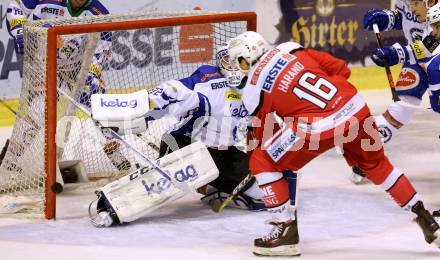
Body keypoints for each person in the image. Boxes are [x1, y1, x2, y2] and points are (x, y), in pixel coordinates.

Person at [227, 31, 440, 256]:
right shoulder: (291, 48)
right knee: (378, 165)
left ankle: (285, 232)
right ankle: (427, 220)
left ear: (245, 58)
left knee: (263, 162)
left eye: (238, 61)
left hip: (316, 126)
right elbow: (342, 70)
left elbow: (263, 137)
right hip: (355, 108)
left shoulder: (252, 90)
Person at [90, 43, 276, 227]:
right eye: (228, 61)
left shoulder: (253, 89)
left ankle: (211, 187)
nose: (233, 67)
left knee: (267, 194)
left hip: (224, 155)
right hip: (184, 145)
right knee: (162, 186)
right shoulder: (208, 83)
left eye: (238, 62)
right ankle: (112, 204)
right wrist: (122, 118)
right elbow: (170, 92)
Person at [3, 0, 134, 175]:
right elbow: (16, 4)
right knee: (39, 109)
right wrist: (19, 31)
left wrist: (92, 73)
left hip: (80, 67)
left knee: (98, 106)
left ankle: (113, 150)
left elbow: (102, 50)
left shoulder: (99, 13)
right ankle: (11, 158)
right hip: (46, 62)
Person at [351, 0, 438, 184]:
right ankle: (367, 154)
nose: (411, 6)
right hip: (417, 58)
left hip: (435, 58)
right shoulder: (406, 2)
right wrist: (387, 19)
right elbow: (405, 17)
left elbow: (434, 42)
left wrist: (399, 54)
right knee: (401, 106)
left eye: (415, 2)